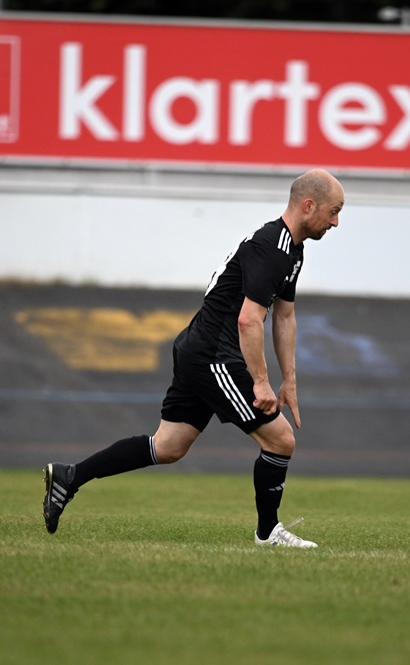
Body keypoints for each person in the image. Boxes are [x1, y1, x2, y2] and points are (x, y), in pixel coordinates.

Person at [42, 168, 345, 548]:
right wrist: (261, 382)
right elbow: (249, 320)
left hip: (199, 348)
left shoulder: (291, 250)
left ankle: (69, 477)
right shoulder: (273, 247)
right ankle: (268, 533)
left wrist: (290, 380)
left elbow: (284, 316)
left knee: (168, 446)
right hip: (213, 355)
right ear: (308, 205)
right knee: (281, 440)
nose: (336, 222)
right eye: (334, 211)